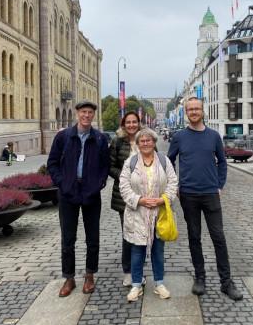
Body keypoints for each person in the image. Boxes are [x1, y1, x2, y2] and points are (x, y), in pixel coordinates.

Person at [167, 97, 243, 301]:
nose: (193, 112)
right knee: (194, 237)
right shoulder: (179, 137)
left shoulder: (214, 136)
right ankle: (200, 277)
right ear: (186, 112)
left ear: (202, 111)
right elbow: (169, 162)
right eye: (190, 109)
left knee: (219, 237)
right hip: (188, 194)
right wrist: (175, 186)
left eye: (196, 109)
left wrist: (219, 184)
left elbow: (222, 162)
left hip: (210, 193)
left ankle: (226, 282)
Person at [47, 100, 110, 297]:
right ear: (77, 114)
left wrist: (98, 184)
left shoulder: (99, 138)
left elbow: (105, 166)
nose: (86, 115)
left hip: (91, 194)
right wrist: (62, 182)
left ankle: (90, 275)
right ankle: (69, 278)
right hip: (68, 194)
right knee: (68, 238)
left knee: (93, 238)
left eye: (90, 112)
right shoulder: (64, 137)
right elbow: (52, 163)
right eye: (83, 112)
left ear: (93, 115)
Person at [119, 128, 178, 302]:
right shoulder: (131, 162)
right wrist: (139, 200)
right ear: (137, 144)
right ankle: (136, 284)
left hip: (159, 212)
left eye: (149, 140)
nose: (145, 143)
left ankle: (159, 283)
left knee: (158, 250)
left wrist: (163, 199)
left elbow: (173, 182)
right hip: (137, 212)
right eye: (142, 141)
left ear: (154, 142)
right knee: (137, 251)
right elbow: (124, 186)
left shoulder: (163, 160)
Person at [108, 111, 142, 287]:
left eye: (134, 122)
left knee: (142, 235)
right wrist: (125, 175)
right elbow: (110, 166)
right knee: (128, 234)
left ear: (139, 123)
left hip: (144, 196)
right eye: (128, 122)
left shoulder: (145, 139)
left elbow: (156, 162)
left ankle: (139, 271)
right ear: (123, 124)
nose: (131, 125)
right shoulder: (117, 141)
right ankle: (128, 272)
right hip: (124, 196)